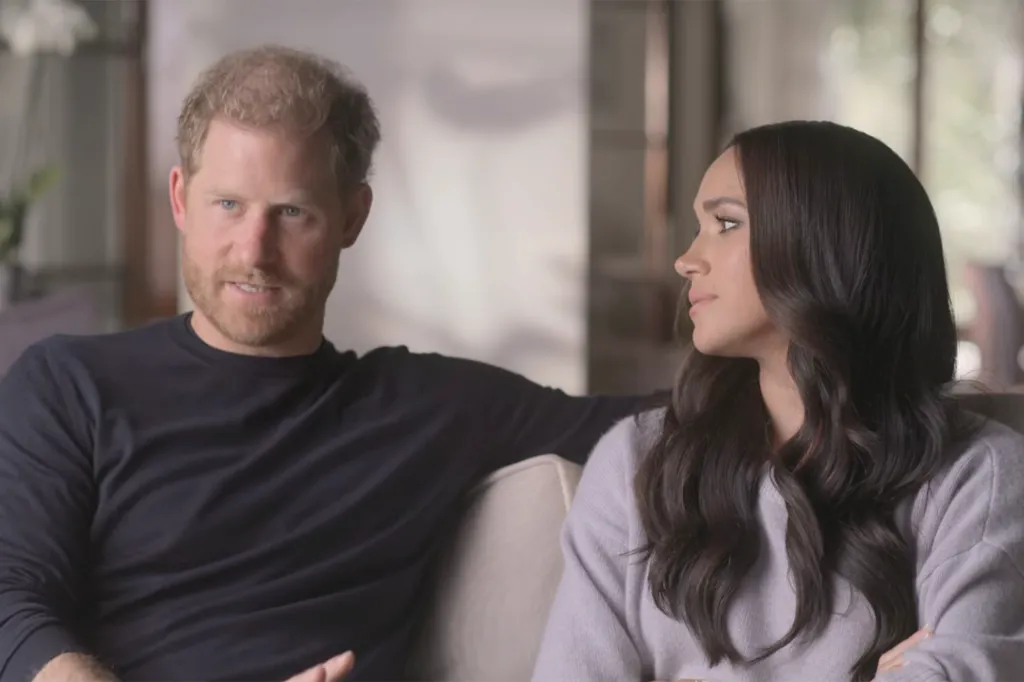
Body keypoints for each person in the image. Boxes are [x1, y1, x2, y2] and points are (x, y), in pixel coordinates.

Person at [0, 46, 661, 682]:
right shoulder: (70, 386)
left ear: (352, 216)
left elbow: (658, 425)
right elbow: (11, 600)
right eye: (227, 205)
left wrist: (755, 301)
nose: (254, 250)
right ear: (180, 200)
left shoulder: (423, 406)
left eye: (292, 213)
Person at [530, 121, 1024, 682]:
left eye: (726, 223)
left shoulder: (979, 475)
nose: (687, 259)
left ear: (822, 243)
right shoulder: (635, 460)